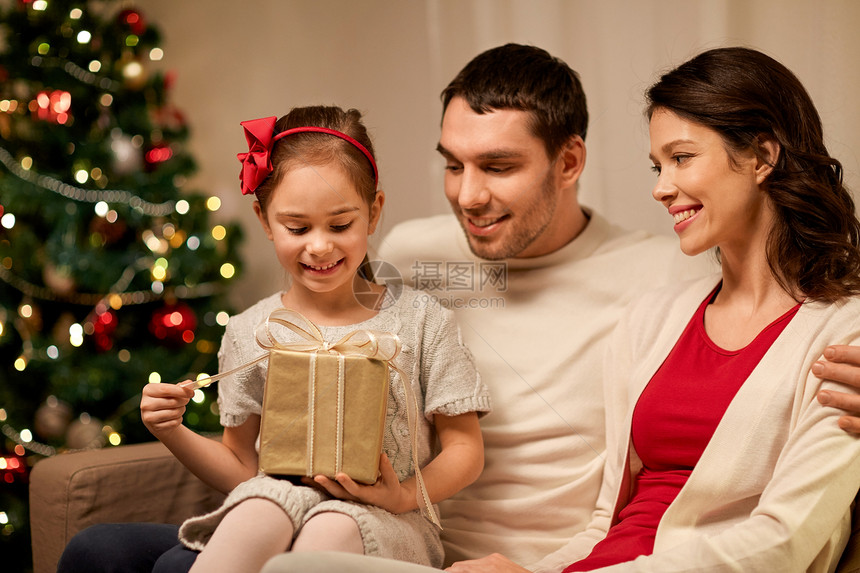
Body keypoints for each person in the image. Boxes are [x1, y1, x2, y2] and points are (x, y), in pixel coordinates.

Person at [58, 44, 860, 573]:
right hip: (348, 518)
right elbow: (317, 278)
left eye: (500, 167)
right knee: (100, 552)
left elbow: (798, 306)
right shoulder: (416, 254)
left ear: (571, 160)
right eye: (453, 164)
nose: (470, 197)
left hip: (463, 550)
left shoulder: (655, 277)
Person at [447, 45, 860, 573]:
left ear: (762, 157)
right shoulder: (652, 318)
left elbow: (783, 542)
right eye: (657, 165)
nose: (661, 188)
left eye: (681, 158)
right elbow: (605, 525)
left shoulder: (840, 333)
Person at [60, 106, 491, 573]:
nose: (320, 246)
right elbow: (242, 466)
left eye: (341, 225)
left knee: (327, 530)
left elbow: (465, 449)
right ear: (265, 221)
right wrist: (172, 431)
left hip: (387, 518)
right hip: (278, 502)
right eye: (297, 228)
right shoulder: (251, 330)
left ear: (374, 212)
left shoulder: (422, 321)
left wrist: (405, 493)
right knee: (256, 507)